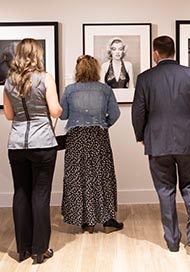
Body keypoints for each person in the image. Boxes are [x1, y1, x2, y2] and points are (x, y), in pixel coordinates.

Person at [131, 36, 190, 255]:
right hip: (188, 141)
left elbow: (138, 112)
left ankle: (172, 241)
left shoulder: (145, 78)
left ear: (155, 53)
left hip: (157, 142)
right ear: (174, 52)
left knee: (165, 191)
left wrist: (141, 135)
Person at [3, 38, 62, 264]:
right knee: (40, 194)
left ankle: (22, 249)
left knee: (20, 193)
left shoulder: (9, 82)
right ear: (37, 54)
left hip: (17, 144)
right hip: (43, 143)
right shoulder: (45, 78)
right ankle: (40, 250)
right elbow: (55, 110)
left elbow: (9, 115)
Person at [60, 54, 123, 234]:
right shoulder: (105, 90)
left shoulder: (70, 90)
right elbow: (115, 114)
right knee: (101, 176)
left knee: (78, 177)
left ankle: (85, 220)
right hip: (98, 136)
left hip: (76, 137)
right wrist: (104, 125)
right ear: (96, 70)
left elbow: (63, 115)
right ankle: (107, 220)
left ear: (77, 70)